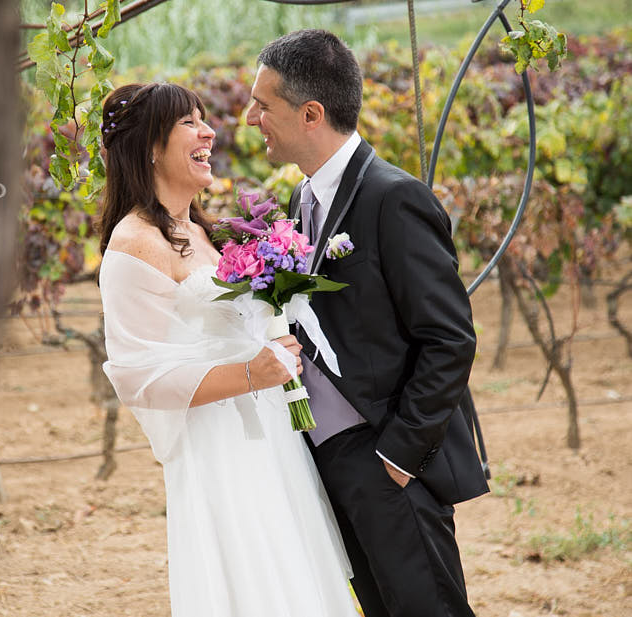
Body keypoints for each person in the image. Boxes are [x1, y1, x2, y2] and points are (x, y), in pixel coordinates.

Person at [246, 30, 490, 617]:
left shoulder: (394, 198)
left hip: (387, 455)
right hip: (330, 454)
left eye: (263, 105)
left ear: (311, 113)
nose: (252, 116)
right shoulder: (303, 200)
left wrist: (399, 458)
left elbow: (450, 339)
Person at [98, 82, 359, 616]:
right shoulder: (134, 244)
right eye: (189, 123)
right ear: (150, 146)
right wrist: (250, 373)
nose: (209, 131)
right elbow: (135, 376)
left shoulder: (198, 230)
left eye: (203, 120)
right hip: (219, 448)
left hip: (269, 442)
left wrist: (272, 339)